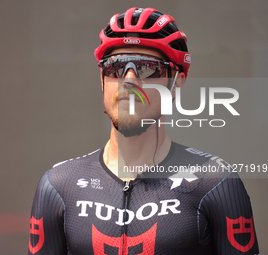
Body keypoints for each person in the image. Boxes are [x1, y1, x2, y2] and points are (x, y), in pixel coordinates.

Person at [28, 7, 259, 255]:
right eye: (115, 67)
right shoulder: (58, 186)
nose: (129, 80)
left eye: (148, 68)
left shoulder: (215, 182)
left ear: (176, 85)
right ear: (102, 79)